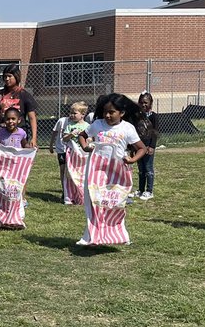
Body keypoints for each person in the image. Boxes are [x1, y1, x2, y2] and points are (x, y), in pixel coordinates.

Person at [77, 93, 144, 246]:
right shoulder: (97, 125)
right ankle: (92, 236)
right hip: (97, 170)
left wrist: (132, 159)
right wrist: (85, 146)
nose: (107, 115)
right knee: (95, 201)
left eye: (111, 112)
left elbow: (141, 148)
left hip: (118, 171)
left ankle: (118, 234)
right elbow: (82, 135)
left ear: (122, 113)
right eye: (105, 112)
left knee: (115, 202)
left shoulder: (127, 128)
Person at [0, 64, 38, 150]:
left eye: (9, 76)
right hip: (2, 137)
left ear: (16, 76)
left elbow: (32, 117)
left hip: (20, 138)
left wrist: (34, 138)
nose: (7, 79)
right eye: (5, 76)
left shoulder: (24, 95)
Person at [51, 101, 87, 205]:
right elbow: (64, 138)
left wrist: (89, 141)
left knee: (82, 175)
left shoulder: (87, 126)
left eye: (74, 113)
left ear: (82, 114)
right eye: (71, 112)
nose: (71, 115)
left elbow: (90, 138)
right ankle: (69, 195)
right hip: (71, 155)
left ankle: (82, 195)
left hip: (82, 155)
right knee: (70, 174)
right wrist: (71, 134)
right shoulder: (70, 125)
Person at [134, 91, 158, 200]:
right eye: (141, 102)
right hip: (139, 147)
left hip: (148, 147)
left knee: (148, 168)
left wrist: (152, 146)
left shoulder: (153, 116)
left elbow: (155, 133)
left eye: (146, 102)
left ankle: (149, 191)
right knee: (141, 169)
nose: (143, 105)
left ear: (150, 103)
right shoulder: (137, 116)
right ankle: (141, 190)